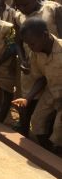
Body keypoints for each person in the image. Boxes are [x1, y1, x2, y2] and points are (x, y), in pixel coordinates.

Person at [12, 0, 62, 136]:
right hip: (34, 63)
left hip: (56, 59)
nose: (21, 8)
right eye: (17, 5)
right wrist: (22, 58)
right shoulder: (19, 16)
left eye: (25, 4)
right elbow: (18, 41)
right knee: (31, 99)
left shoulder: (52, 9)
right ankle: (27, 128)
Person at [12, 18, 62, 154]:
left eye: (32, 43)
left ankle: (56, 155)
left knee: (59, 128)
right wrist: (27, 98)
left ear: (45, 35)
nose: (30, 46)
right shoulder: (35, 53)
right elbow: (41, 79)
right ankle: (48, 152)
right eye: (27, 43)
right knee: (36, 121)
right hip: (52, 91)